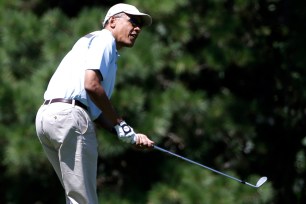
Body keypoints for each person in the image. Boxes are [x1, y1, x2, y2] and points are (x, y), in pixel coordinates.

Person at [35, 3, 154, 204]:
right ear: (112, 21)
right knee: (84, 200)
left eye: (140, 25)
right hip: (70, 117)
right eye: (133, 21)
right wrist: (120, 123)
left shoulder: (91, 43)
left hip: (47, 118)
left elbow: (96, 112)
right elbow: (91, 84)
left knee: (76, 197)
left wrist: (128, 134)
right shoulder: (105, 39)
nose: (138, 28)